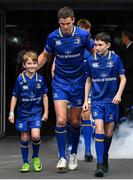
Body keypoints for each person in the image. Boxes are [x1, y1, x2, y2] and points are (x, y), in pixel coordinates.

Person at [37, 6, 94, 172]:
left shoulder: (83, 35)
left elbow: (94, 52)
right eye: (62, 24)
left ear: (73, 20)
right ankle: (62, 157)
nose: (66, 27)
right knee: (61, 120)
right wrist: (30, 69)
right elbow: (44, 56)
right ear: (59, 22)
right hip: (60, 83)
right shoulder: (53, 37)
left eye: (68, 23)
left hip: (78, 83)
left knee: (75, 122)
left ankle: (74, 153)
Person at [83, 32, 126, 177]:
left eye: (100, 45)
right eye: (95, 44)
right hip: (97, 102)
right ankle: (100, 163)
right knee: (99, 130)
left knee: (108, 133)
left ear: (108, 45)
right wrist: (85, 101)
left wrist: (118, 94)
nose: (97, 47)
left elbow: (123, 78)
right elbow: (88, 80)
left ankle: (105, 155)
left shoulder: (115, 59)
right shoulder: (90, 60)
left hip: (111, 102)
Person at [8, 51, 49, 173]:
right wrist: (11, 112)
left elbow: (45, 96)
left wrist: (46, 112)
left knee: (36, 136)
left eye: (34, 63)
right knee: (25, 138)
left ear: (37, 64)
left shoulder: (40, 79)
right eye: (29, 63)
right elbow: (14, 96)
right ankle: (25, 163)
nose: (32, 66)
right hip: (22, 114)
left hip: (36, 112)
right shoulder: (20, 79)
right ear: (24, 65)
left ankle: (35, 157)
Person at [77, 18, 94, 162]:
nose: (86, 37)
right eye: (84, 34)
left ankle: (88, 151)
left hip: (88, 86)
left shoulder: (94, 46)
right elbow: (55, 66)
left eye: (88, 34)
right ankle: (72, 150)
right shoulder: (71, 43)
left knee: (86, 115)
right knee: (71, 119)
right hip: (72, 87)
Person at [121, 27, 133, 118]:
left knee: (128, 108)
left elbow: (128, 66)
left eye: (122, 36)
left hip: (129, 85)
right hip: (129, 85)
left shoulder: (131, 49)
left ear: (126, 37)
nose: (121, 39)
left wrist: (120, 72)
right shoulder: (128, 49)